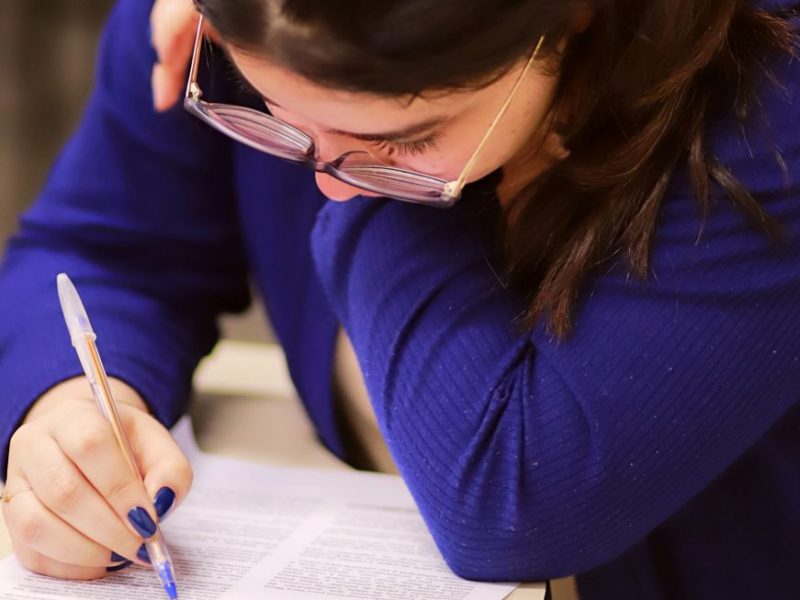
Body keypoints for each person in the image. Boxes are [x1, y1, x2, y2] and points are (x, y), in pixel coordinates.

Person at [0, 0, 798, 596]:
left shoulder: (773, 96)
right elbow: (103, 248)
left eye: (411, 140)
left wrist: (369, 184)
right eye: (268, 110)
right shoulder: (223, 25)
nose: (323, 183)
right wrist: (69, 410)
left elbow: (519, 496)